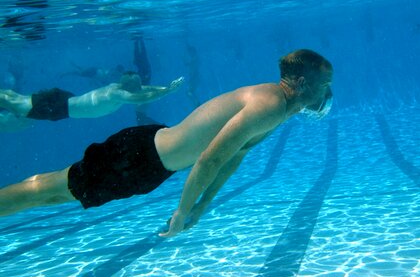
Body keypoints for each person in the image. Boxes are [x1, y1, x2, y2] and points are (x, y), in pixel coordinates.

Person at [0, 49, 333, 238]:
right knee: (52, 188)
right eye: (326, 83)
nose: (328, 90)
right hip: (139, 158)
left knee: (56, 194)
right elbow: (210, 160)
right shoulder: (270, 104)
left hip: (149, 162)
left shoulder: (278, 106)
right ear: (303, 82)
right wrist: (182, 212)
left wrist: (202, 206)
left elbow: (234, 158)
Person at [0, 72, 184, 122]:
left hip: (64, 100)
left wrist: (166, 86)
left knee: (13, 97)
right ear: (129, 88)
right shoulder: (118, 94)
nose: (139, 89)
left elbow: (145, 88)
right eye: (136, 88)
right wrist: (167, 92)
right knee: (14, 105)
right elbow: (142, 98)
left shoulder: (118, 87)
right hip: (60, 107)